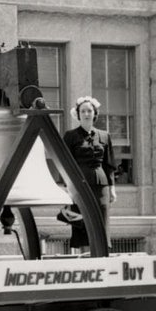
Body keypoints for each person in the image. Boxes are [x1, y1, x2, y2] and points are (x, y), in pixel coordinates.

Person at [61, 95, 117, 254]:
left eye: (89, 111)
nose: (86, 114)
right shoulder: (70, 136)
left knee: (102, 220)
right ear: (78, 114)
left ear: (94, 114)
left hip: (101, 185)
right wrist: (68, 187)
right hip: (79, 185)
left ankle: (102, 257)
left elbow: (109, 164)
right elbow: (65, 163)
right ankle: (86, 259)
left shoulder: (105, 136)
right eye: (83, 111)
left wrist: (112, 188)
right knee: (82, 220)